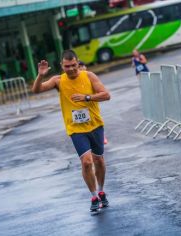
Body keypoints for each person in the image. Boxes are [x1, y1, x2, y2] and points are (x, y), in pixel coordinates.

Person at [32, 50, 111, 212]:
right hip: (75, 128)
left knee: (99, 161)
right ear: (62, 65)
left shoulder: (89, 76)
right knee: (87, 162)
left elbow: (106, 95)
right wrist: (40, 75)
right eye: (67, 66)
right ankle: (94, 196)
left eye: (74, 65)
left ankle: (102, 190)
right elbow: (37, 90)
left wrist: (87, 97)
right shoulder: (58, 80)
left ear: (77, 63)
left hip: (95, 125)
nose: (71, 69)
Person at [78, 60, 109, 145]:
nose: (80, 68)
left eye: (82, 66)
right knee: (83, 123)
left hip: (91, 104)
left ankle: (102, 136)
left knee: (96, 120)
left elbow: (102, 92)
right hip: (80, 106)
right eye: (79, 67)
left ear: (85, 67)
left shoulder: (90, 76)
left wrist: (89, 97)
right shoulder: (75, 79)